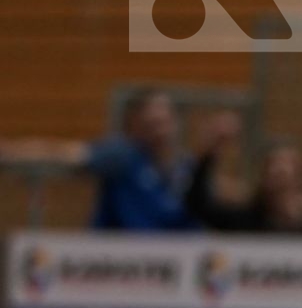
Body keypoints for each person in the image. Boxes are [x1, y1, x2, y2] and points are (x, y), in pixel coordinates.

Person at [0, 88, 196, 231]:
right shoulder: (121, 156)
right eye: (151, 125)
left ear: (176, 123)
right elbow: (61, 152)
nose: (159, 132)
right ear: (137, 125)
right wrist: (11, 151)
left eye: (164, 123)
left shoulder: (186, 167)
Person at [185, 111, 302, 234]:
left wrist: (296, 224)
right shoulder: (244, 220)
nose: (281, 171)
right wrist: (209, 153)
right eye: (273, 164)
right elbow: (197, 206)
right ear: (262, 176)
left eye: (291, 166)